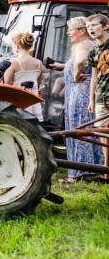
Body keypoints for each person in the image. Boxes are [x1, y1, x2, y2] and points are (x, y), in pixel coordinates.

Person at [47, 17, 103, 183]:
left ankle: (77, 173)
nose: (68, 33)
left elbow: (80, 61)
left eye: (70, 29)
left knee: (77, 130)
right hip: (90, 93)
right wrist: (62, 66)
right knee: (91, 129)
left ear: (81, 31)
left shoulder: (80, 45)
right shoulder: (93, 45)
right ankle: (95, 168)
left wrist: (76, 74)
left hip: (79, 94)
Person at [86, 13, 109, 182]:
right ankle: (106, 171)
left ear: (105, 26)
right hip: (101, 96)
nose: (91, 29)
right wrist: (91, 99)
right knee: (103, 135)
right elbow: (94, 76)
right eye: (88, 27)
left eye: (94, 25)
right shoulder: (93, 50)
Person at [3, 32, 45, 121]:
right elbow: (39, 82)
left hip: (18, 101)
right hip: (33, 103)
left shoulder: (13, 63)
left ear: (17, 46)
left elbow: (6, 84)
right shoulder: (39, 63)